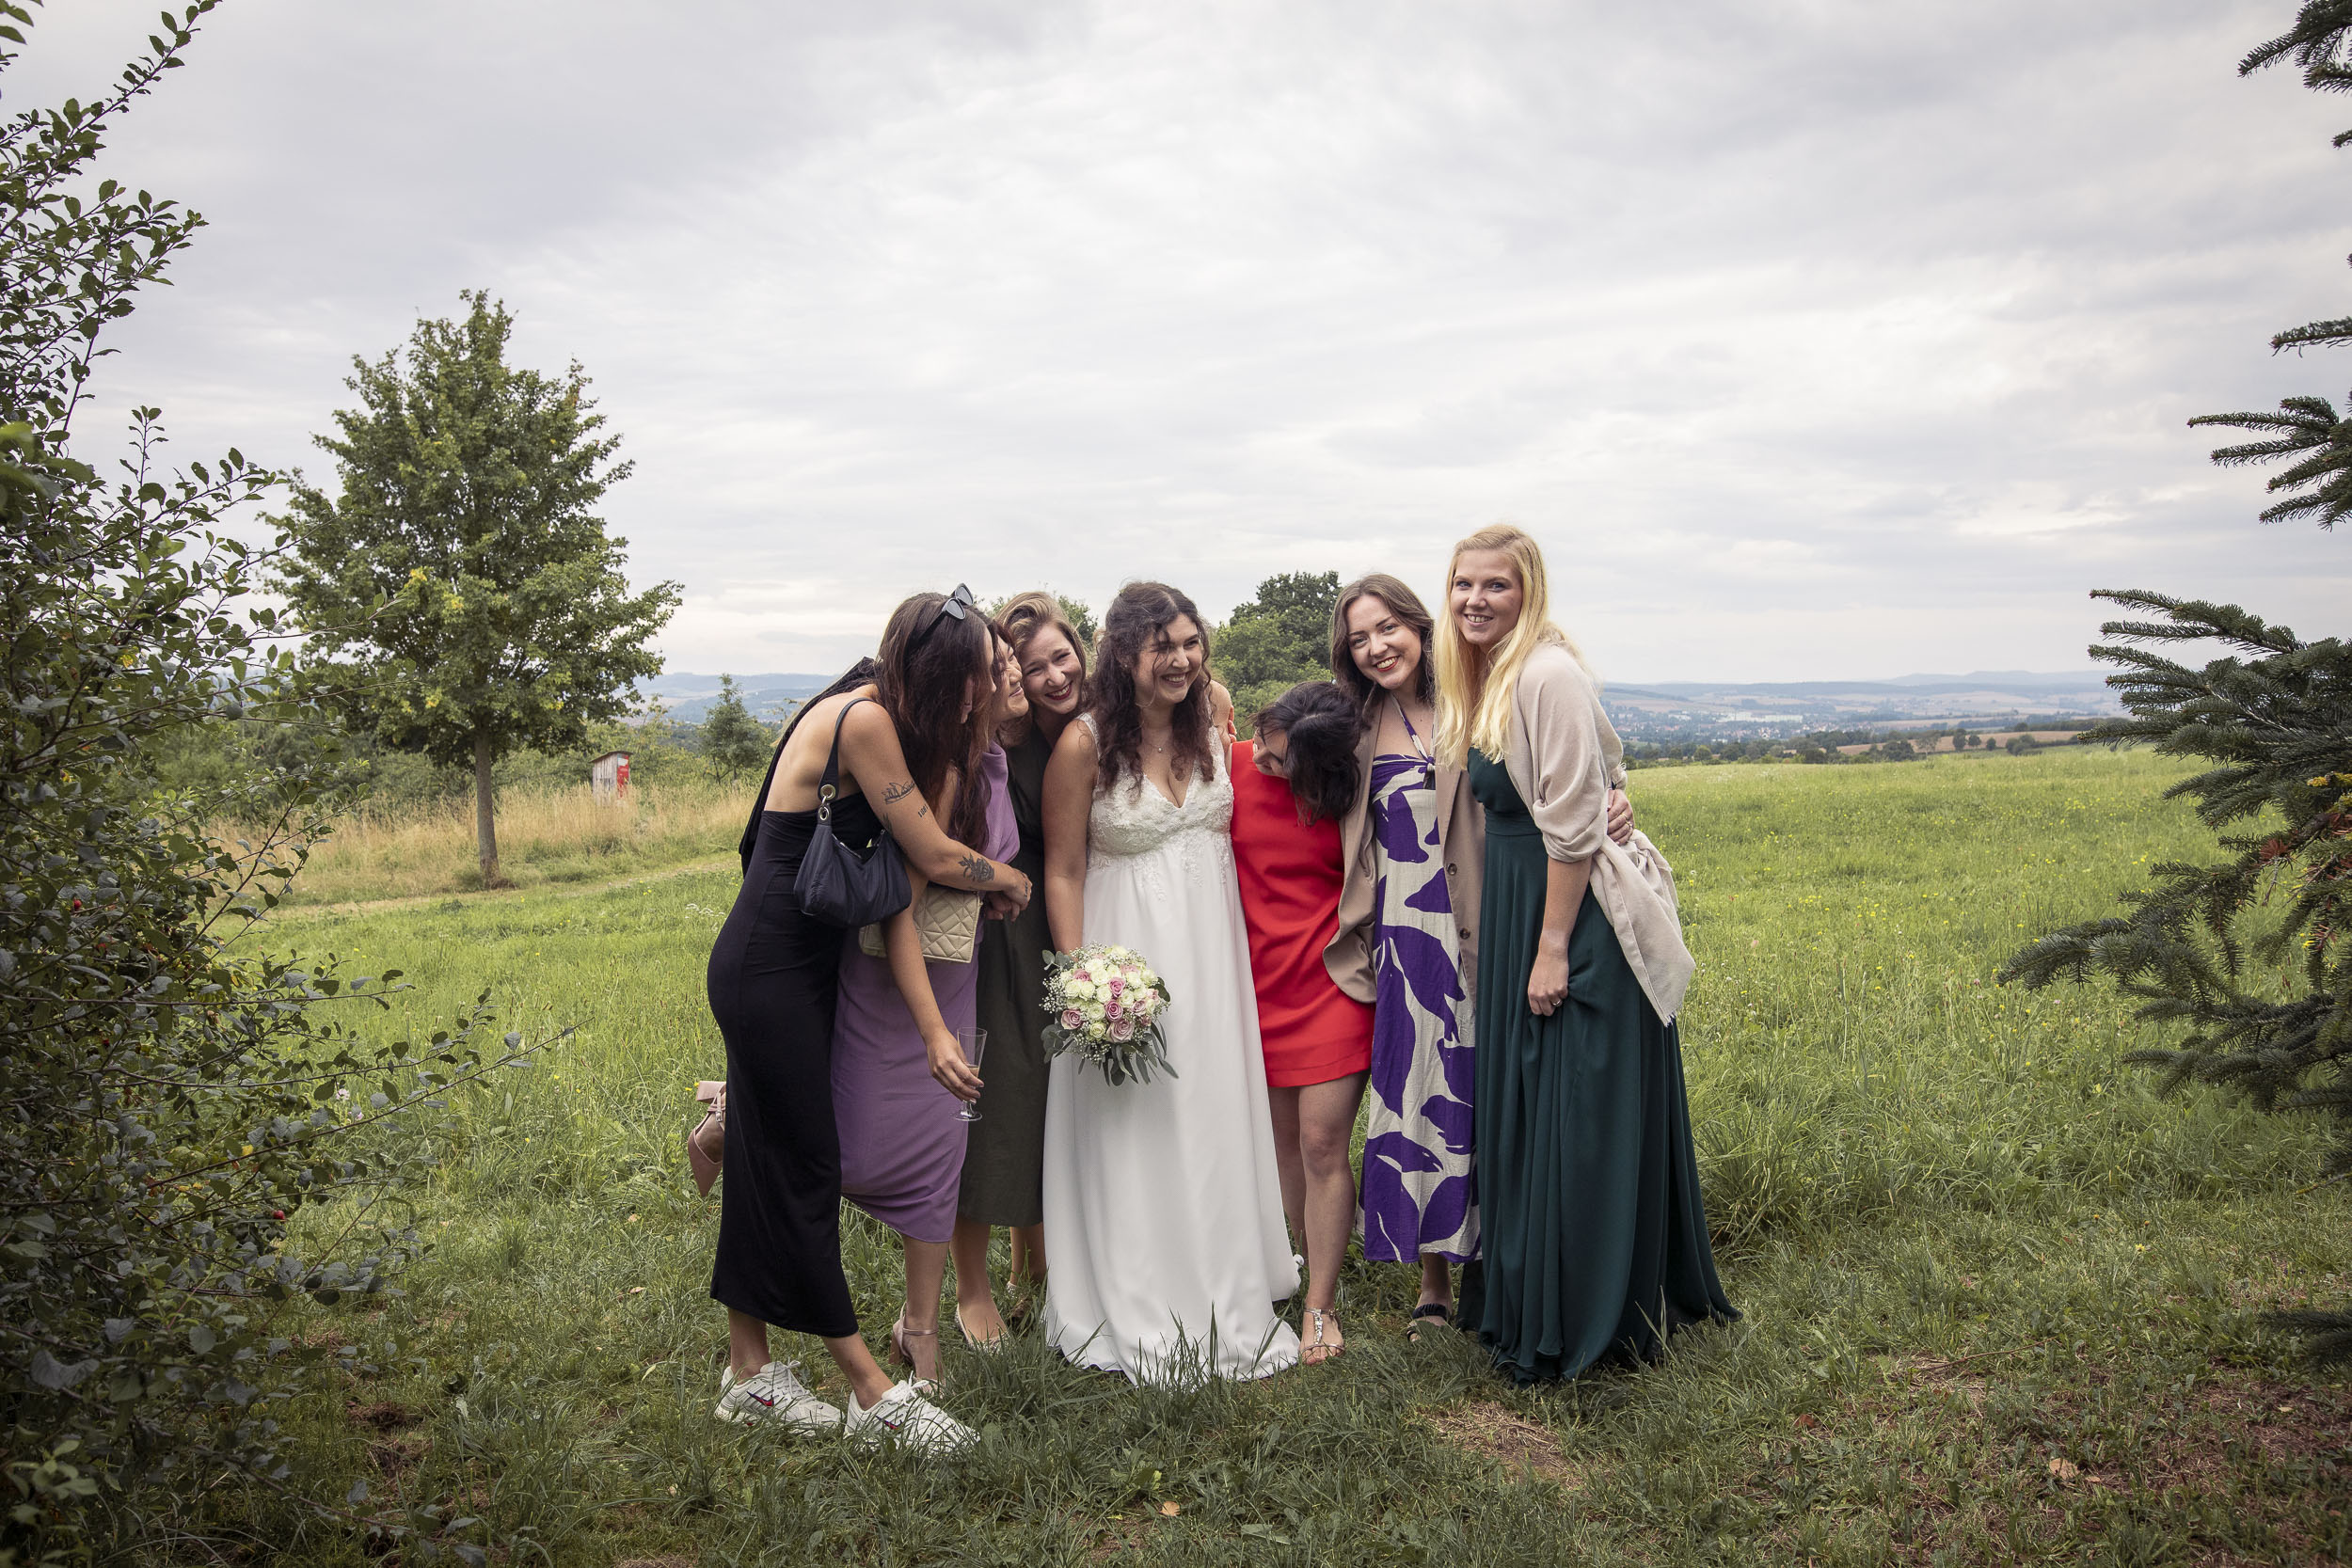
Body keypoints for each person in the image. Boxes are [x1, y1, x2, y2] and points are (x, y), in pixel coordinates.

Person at [706, 589, 1031, 1452]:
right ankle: (872, 1392)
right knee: (805, 1171)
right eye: (974, 677)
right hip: (770, 968)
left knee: (766, 1162)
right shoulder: (866, 719)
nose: (981, 693)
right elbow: (930, 853)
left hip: (798, 968)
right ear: (939, 674)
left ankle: (748, 1371)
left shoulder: (870, 708)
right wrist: (1007, 877)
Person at [1432, 525, 1735, 1383]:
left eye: (1496, 584)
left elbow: (1570, 829)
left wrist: (1552, 948)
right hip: (1518, 907)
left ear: (1528, 591)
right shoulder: (1486, 676)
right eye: (1463, 584)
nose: (1475, 599)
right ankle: (1530, 1295)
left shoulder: (1545, 673)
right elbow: (1593, 776)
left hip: (1568, 917)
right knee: (1529, 1112)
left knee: (1572, 1115)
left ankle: (1588, 1314)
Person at [1328, 574, 1636, 1340]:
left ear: (1418, 624)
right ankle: (1434, 1283)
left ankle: (1499, 1267)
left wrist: (1617, 793)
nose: (1377, 648)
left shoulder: (1478, 696)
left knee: (1490, 1092)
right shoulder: (1353, 725)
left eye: (1388, 628)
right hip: (1405, 936)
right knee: (1420, 1094)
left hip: (1487, 922)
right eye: (1359, 639)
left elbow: (1570, 762)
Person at [1038, 582, 1301, 1384]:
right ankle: (1143, 1283)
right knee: (1141, 1119)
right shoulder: (1083, 744)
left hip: (1213, 950)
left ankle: (1229, 1265)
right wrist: (1083, 979)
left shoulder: (1211, 710)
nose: (1183, 659)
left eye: (1191, 641)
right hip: (1129, 952)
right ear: (1124, 653)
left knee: (1214, 1101)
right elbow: (1063, 870)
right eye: (1164, 646)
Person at [832, 620, 1022, 1386]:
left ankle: (920, 1330)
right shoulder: (945, 767)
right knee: (858, 1145)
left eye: (1008, 660)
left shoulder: (989, 757)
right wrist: (1004, 879)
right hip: (898, 982)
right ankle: (733, 1118)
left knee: (942, 1153)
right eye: (995, 665)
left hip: (955, 966)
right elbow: (901, 903)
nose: (1010, 674)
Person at [952, 594, 1089, 1346]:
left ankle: (1030, 1263)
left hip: (1061, 924)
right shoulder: (990, 738)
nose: (1048, 676)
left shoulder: (1083, 726)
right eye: (1027, 666)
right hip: (1001, 930)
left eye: (1059, 657)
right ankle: (971, 1289)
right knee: (995, 1098)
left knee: (1044, 1099)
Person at [1230, 681, 1373, 1365]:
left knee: (1321, 1144)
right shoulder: (1230, 767)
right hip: (1253, 988)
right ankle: (1305, 1256)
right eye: (1265, 739)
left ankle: (1321, 1303)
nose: (1263, 759)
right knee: (1283, 1145)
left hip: (1330, 985)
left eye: (1282, 760)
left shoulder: (1349, 796)